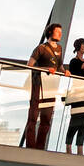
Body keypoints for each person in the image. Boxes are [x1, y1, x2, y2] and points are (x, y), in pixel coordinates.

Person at [23, 22, 63, 150]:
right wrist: (45, 68)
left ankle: (40, 146)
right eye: (58, 32)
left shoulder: (59, 49)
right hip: (39, 83)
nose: (60, 34)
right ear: (50, 32)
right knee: (34, 115)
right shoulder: (41, 48)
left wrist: (64, 71)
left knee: (47, 117)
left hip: (51, 86)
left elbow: (59, 66)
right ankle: (30, 145)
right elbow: (30, 64)